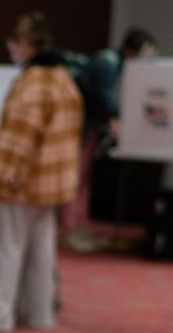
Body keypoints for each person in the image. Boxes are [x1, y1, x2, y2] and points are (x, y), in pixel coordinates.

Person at [0, 12, 83, 333]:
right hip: (52, 185)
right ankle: (37, 312)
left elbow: (17, 140)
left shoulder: (32, 85)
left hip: (23, 184)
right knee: (40, 253)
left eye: (14, 43)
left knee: (3, 248)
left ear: (26, 44)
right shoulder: (64, 80)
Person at [65, 26, 154, 251]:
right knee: (76, 178)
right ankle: (69, 227)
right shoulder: (108, 61)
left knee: (82, 178)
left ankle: (76, 225)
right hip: (78, 124)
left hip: (86, 124)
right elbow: (103, 96)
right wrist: (115, 117)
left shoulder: (113, 62)